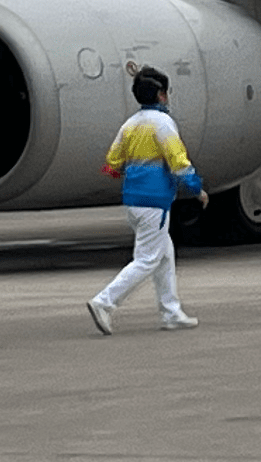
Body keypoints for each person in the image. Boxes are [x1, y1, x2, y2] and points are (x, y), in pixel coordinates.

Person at [86, 66, 203, 333]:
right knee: (148, 259)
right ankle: (104, 301)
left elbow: (113, 162)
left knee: (164, 255)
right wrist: (196, 187)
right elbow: (178, 161)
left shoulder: (130, 125)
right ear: (161, 95)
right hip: (155, 201)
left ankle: (171, 312)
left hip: (134, 200)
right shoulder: (163, 124)